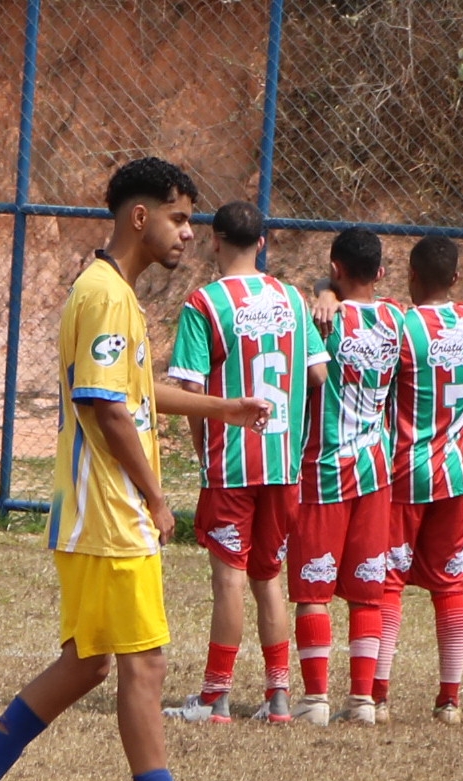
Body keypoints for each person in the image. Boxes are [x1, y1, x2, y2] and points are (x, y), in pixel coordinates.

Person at [0, 158, 270, 781]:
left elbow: (132, 392)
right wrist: (155, 496)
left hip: (89, 514)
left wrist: (223, 408)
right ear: (140, 217)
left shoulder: (110, 292)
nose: (187, 233)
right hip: (111, 514)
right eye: (178, 218)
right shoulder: (107, 296)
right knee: (146, 664)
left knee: (87, 664)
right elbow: (107, 409)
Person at [162, 200, 326, 726]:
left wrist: (203, 449)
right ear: (262, 242)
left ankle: (216, 698)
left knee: (229, 580)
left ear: (214, 240)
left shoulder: (205, 303)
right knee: (268, 577)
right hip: (282, 462)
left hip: (232, 463)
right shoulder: (293, 300)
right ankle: (278, 697)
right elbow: (319, 375)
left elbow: (189, 390)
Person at [287, 228, 404, 727]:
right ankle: (362, 701)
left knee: (312, 589)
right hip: (376, 471)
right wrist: (329, 289)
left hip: (324, 469)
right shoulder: (396, 318)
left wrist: (323, 293)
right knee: (367, 591)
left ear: (336, 268)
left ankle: (315, 699)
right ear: (381, 272)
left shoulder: (321, 322)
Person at [374, 236, 463, 726]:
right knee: (451, 586)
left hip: (406, 471)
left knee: (389, 583)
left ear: (411, 275)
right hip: (456, 472)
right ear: (456, 278)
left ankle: (378, 695)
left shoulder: (403, 325)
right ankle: (449, 700)